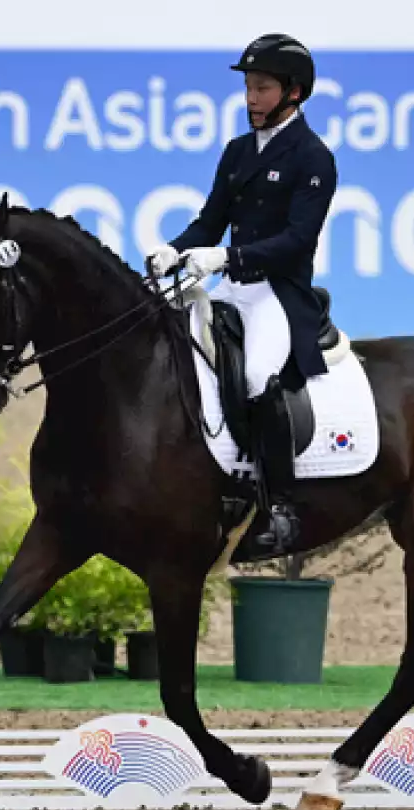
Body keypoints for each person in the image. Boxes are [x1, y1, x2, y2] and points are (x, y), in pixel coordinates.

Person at [146, 32, 338, 557]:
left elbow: (297, 239)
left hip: (279, 292)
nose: (251, 98)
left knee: (257, 376)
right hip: (232, 286)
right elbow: (211, 221)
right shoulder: (237, 151)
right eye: (249, 88)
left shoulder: (313, 157)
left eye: (262, 88)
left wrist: (227, 257)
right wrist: (174, 249)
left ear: (293, 93)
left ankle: (279, 506)